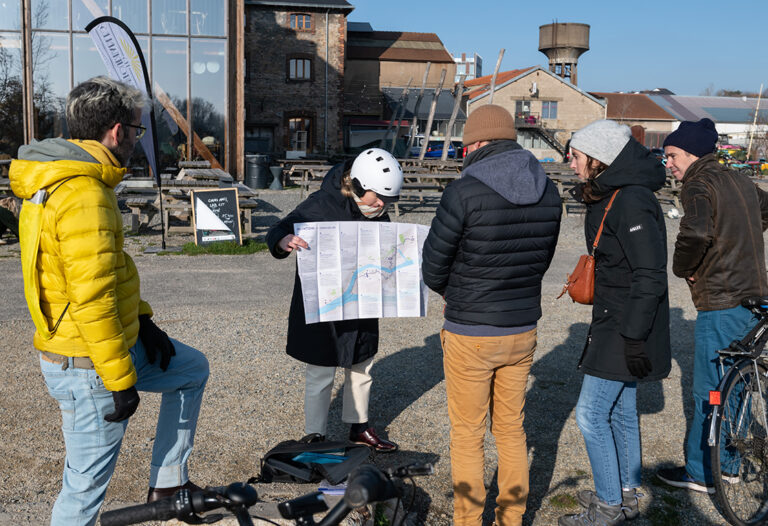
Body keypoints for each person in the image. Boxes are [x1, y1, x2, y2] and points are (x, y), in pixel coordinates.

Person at [9, 77, 209, 526]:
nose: (137, 140)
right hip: (89, 363)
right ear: (117, 133)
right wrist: (120, 380)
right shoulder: (83, 195)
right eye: (137, 131)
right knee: (82, 494)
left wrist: (144, 320)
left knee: (190, 369)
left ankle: (169, 482)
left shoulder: (73, 180)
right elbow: (92, 299)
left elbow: (109, 270)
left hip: (107, 345)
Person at [421, 104, 562, 526]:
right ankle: (511, 518)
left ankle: (468, 521)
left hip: (470, 329)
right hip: (521, 327)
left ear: (477, 143)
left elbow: (432, 268)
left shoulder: (464, 191)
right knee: (511, 429)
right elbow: (541, 260)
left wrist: (458, 293)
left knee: (467, 434)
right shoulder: (549, 189)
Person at [558, 120, 671, 526]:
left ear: (599, 158)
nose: (570, 163)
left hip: (624, 325)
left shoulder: (632, 201)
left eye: (575, 155)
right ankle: (623, 493)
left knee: (590, 414)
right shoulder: (615, 193)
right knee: (621, 410)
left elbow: (650, 274)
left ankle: (608, 507)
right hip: (615, 318)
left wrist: (635, 337)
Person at [656, 118, 768, 493]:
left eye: (671, 155)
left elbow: (698, 231)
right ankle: (730, 466)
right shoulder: (738, 179)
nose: (667, 163)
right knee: (734, 382)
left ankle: (704, 473)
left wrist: (683, 267)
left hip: (721, 299)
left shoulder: (698, 183)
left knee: (710, 389)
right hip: (753, 296)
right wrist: (741, 233)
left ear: (691, 154)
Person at [266, 147, 403, 452]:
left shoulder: (378, 214)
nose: (383, 204)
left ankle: (359, 426)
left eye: (389, 200)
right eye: (378, 197)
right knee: (320, 369)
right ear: (357, 185)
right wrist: (283, 240)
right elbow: (279, 228)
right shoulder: (321, 203)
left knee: (362, 365)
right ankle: (315, 434)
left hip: (360, 301)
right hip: (323, 305)